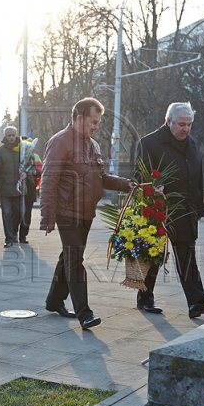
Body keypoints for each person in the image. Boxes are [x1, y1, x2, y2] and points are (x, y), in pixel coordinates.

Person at [40, 97, 135, 330]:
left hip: (86, 213)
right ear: (79, 118)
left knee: (69, 257)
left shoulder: (93, 145)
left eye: (98, 122)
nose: (96, 126)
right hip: (66, 212)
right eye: (93, 122)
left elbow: (101, 178)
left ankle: (54, 301)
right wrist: (47, 216)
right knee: (75, 261)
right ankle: (85, 314)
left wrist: (126, 184)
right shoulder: (60, 142)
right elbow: (48, 181)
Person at [133, 102, 204, 318]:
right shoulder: (149, 143)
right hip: (156, 212)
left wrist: (198, 209)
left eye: (190, 124)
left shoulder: (192, 144)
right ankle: (145, 299)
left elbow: (197, 179)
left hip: (185, 212)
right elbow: (138, 177)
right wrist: (152, 188)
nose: (186, 129)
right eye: (181, 124)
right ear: (168, 121)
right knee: (153, 257)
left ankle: (197, 302)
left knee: (187, 257)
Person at [0, 126, 34, 248]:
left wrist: (26, 173)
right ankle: (9, 238)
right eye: (8, 135)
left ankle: (15, 233)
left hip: (20, 188)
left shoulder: (24, 149)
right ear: (5, 136)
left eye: (13, 135)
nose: (11, 137)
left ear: (16, 135)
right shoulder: (0, 152)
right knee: (6, 213)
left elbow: (32, 167)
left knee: (20, 213)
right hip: (4, 188)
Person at [18, 135, 42, 244]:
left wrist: (28, 173)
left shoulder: (35, 156)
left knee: (27, 213)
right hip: (17, 188)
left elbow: (40, 171)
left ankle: (23, 235)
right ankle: (13, 233)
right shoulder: (16, 156)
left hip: (30, 189)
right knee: (16, 213)